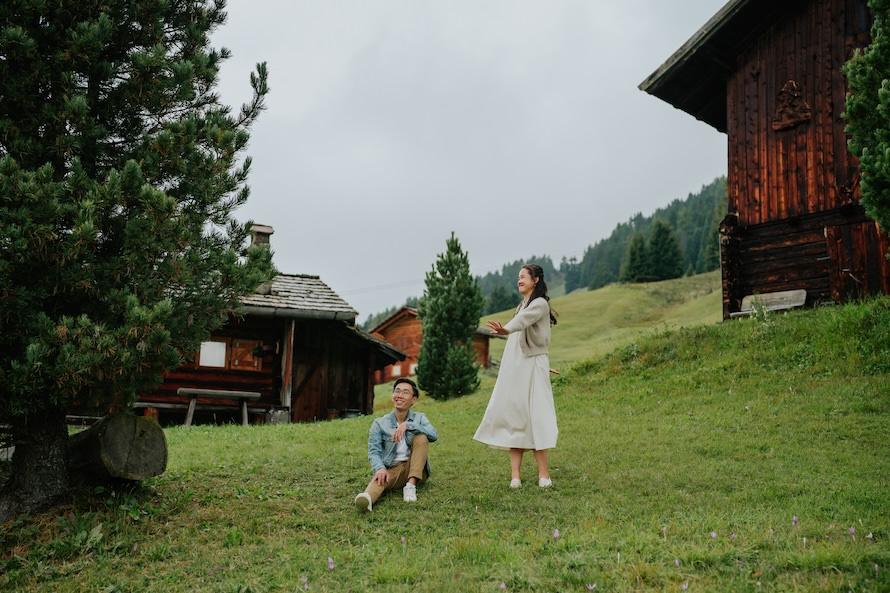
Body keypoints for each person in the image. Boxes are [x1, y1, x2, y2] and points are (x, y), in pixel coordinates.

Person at [473, 263, 559, 488]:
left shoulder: (539, 304)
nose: (519, 280)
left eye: (523, 277)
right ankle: (515, 477)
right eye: (518, 277)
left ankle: (543, 475)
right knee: (515, 416)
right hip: (517, 369)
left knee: (536, 417)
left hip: (532, 366)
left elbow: (523, 322)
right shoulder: (522, 305)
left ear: (536, 280)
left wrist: (506, 329)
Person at [354, 378, 438, 511]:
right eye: (397, 391)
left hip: (416, 468)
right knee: (380, 478)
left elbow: (433, 435)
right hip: (393, 468)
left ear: (413, 399)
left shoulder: (420, 418)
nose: (399, 395)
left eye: (405, 392)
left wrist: (408, 425)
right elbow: (374, 451)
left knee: (421, 437)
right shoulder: (379, 423)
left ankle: (410, 486)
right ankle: (367, 499)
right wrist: (380, 468)